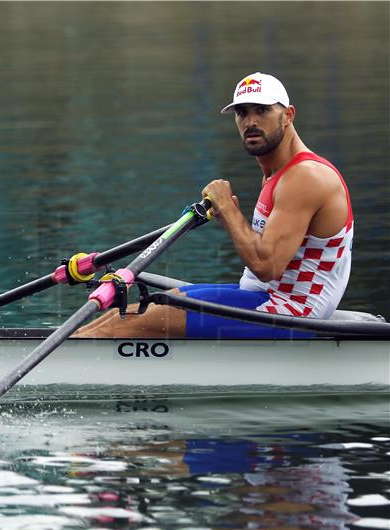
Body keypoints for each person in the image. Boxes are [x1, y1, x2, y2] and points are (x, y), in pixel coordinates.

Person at [75, 72, 353, 339]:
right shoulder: (277, 172)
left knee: (131, 324)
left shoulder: (305, 177)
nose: (251, 121)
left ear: (288, 115)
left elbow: (267, 265)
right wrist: (225, 215)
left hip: (292, 313)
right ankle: (71, 351)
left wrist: (229, 210)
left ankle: (64, 368)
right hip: (261, 297)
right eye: (242, 113)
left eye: (262, 110)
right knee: (128, 314)